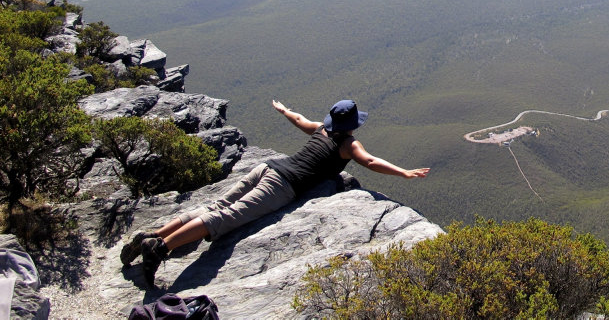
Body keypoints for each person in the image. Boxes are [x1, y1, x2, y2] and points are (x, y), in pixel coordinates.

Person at [120, 98, 430, 288]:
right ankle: (160, 248)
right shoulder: (348, 145)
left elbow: (299, 120)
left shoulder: (320, 129)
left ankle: (151, 236)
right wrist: (403, 172)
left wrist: (284, 110)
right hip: (281, 185)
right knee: (224, 218)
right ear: (353, 125)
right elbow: (371, 161)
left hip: (265, 168)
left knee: (215, 205)